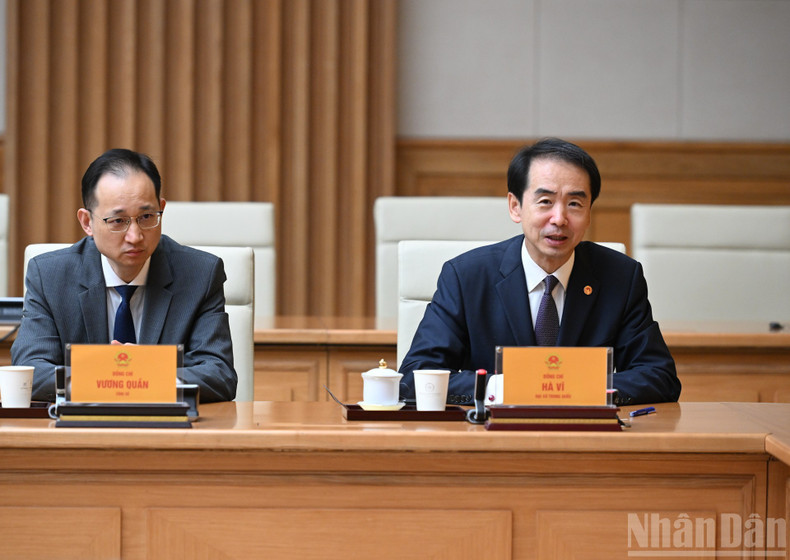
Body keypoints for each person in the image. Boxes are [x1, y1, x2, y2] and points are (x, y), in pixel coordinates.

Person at [399, 138, 680, 406]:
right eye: (545, 201)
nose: (559, 218)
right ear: (515, 206)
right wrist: (503, 388)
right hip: (492, 437)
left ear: (590, 212)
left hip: (586, 439)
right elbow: (414, 377)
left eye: (574, 204)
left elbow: (659, 377)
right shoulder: (466, 277)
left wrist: (577, 388)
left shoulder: (620, 277)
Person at [12, 148, 237, 402]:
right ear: (87, 222)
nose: (135, 236)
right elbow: (30, 372)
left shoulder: (200, 275)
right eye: (118, 221)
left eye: (146, 217)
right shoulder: (50, 276)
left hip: (170, 434)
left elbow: (220, 375)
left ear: (161, 209)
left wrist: (146, 375)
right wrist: (108, 377)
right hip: (80, 433)